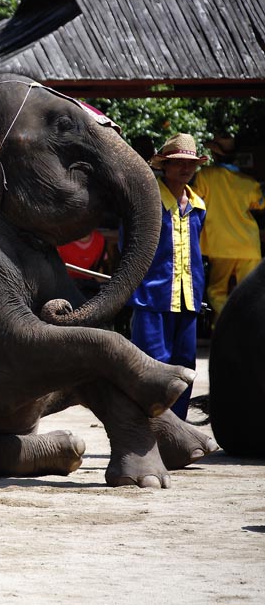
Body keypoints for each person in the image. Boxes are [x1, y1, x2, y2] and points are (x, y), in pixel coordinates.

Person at [127, 133, 207, 421]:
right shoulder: (149, 201)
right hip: (152, 297)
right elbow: (129, 244)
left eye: (191, 163)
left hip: (189, 298)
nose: (186, 168)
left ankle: (177, 430)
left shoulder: (199, 206)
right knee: (151, 367)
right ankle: (146, 428)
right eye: (179, 162)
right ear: (165, 166)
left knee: (184, 367)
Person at [190, 134, 265, 321]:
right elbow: (261, 204)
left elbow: (193, 200)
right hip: (249, 245)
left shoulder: (206, 176)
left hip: (220, 245)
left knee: (216, 292)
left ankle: (229, 323)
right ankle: (248, 327)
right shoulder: (248, 182)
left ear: (215, 155)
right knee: (251, 293)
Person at [57, 229, 109, 301]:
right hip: (65, 284)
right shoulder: (61, 240)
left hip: (88, 285)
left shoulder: (99, 239)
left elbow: (99, 271)